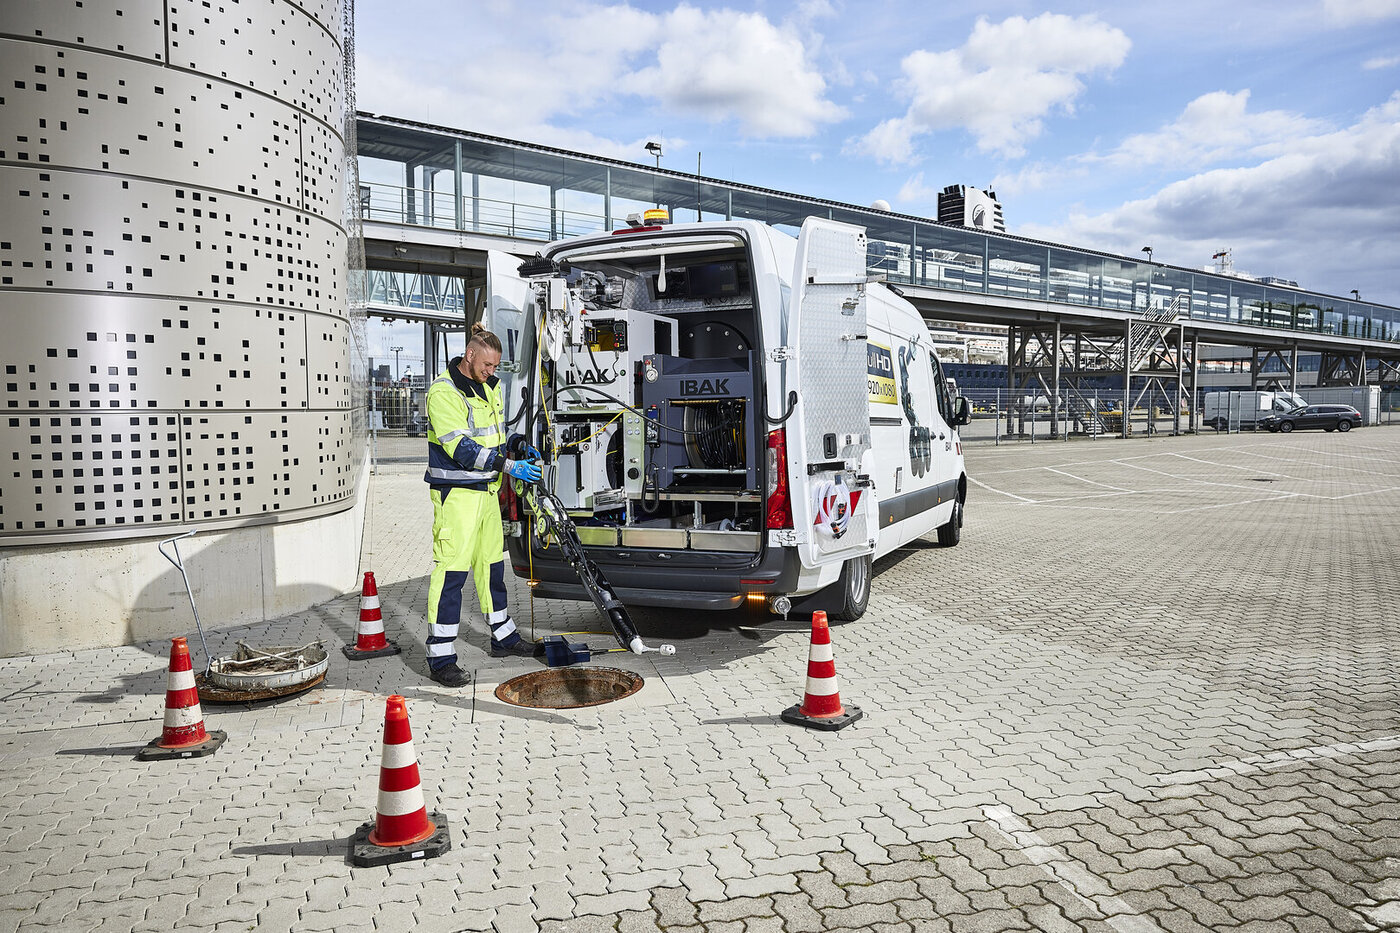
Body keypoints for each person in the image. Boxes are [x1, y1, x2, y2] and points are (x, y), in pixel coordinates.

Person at [422, 323, 542, 687]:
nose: (492, 373)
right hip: (457, 497)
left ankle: (503, 637)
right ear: (469, 355)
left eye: (495, 367)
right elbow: (461, 448)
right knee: (452, 575)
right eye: (487, 365)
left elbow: (494, 435)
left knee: (491, 569)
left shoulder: (489, 388)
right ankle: (440, 656)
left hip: (487, 495)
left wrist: (517, 446)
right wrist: (508, 466)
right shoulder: (443, 393)